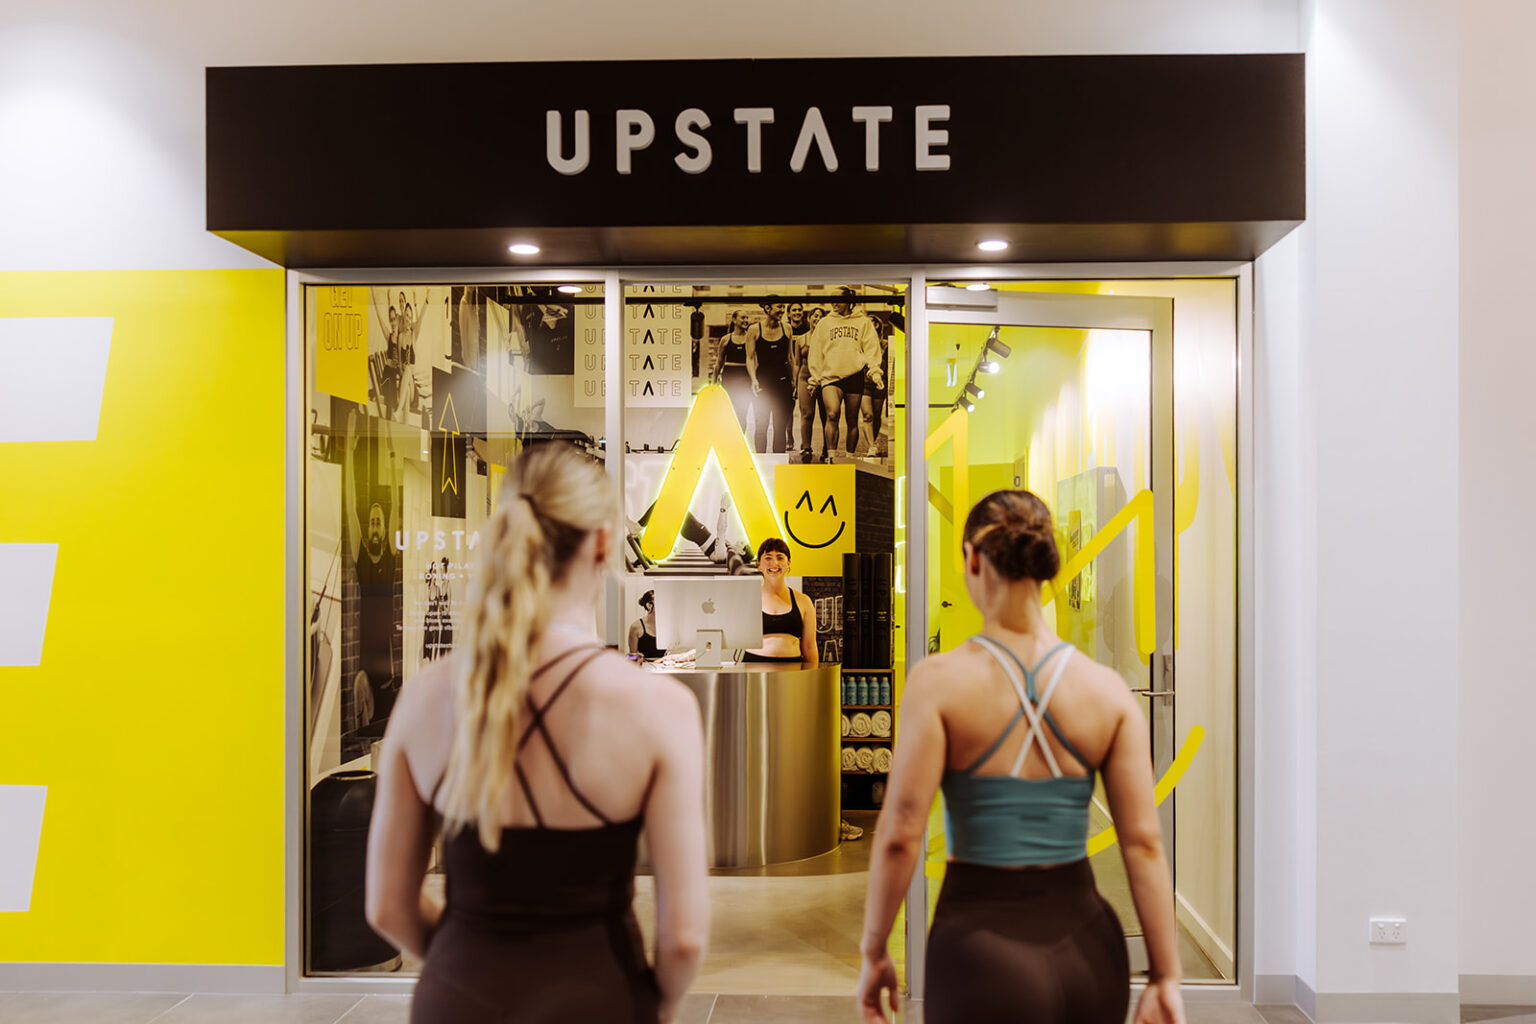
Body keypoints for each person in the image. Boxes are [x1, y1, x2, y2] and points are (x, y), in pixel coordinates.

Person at [365, 443, 709, 1024]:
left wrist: (462, 963)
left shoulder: (425, 696)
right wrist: (656, 1007)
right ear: (602, 543)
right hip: (600, 1001)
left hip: (456, 1001)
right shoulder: (659, 708)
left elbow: (386, 906)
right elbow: (684, 939)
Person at [856, 490, 1184, 1024]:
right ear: (1048, 563)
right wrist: (1166, 976)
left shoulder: (938, 683)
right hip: (1090, 954)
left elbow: (900, 834)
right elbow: (1144, 845)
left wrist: (874, 951)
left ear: (972, 559)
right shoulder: (1107, 692)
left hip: (979, 956)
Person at [807, 288, 883, 460]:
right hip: (830, 377)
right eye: (832, 299)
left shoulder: (863, 322)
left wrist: (875, 371)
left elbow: (871, 348)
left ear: (849, 301)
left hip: (854, 375)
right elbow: (816, 352)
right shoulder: (824, 323)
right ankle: (831, 458)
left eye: (838, 299)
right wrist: (814, 378)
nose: (834, 303)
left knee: (852, 419)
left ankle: (849, 457)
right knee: (832, 414)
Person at [742, 538, 817, 665]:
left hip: (793, 670)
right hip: (754, 668)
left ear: (788, 563)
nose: (774, 563)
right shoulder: (747, 599)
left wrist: (813, 675)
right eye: (768, 558)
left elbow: (810, 647)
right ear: (759, 564)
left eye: (780, 557)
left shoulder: (804, 601)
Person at [747, 298, 795, 453]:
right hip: (763, 382)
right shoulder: (754, 330)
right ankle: (761, 461)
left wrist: (794, 381)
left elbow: (790, 357)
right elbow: (750, 358)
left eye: (783, 307)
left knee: (780, 426)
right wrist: (753, 379)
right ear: (768, 308)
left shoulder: (787, 328)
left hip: (782, 382)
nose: (782, 310)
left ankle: (778, 462)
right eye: (779, 307)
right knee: (761, 424)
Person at [712, 310, 757, 442]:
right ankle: (728, 440)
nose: (746, 320)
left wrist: (755, 379)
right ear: (734, 320)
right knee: (729, 412)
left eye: (747, 318)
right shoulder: (726, 340)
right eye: (743, 317)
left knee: (742, 412)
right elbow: (719, 362)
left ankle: (739, 441)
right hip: (729, 380)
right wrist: (713, 383)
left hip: (745, 380)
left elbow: (755, 361)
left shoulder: (751, 338)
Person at [628, 589, 663, 660]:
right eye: (659, 601)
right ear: (649, 605)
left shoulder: (666, 625)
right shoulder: (636, 627)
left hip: (663, 665)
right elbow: (632, 655)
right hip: (644, 665)